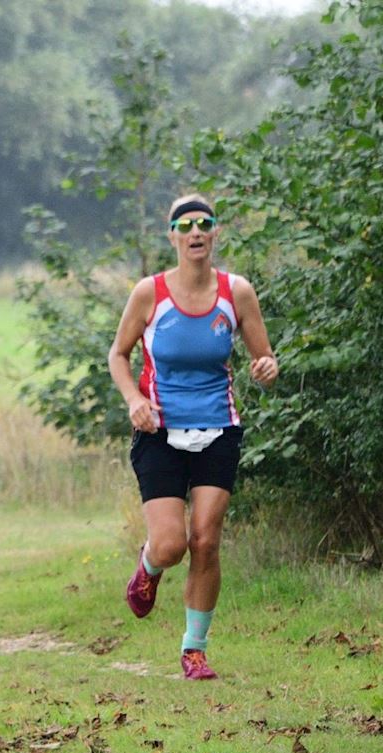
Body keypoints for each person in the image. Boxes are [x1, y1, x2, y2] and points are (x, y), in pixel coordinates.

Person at [107, 193, 278, 680]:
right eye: (186, 225)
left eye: (205, 223)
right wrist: (134, 402)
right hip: (158, 429)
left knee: (205, 540)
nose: (196, 232)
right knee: (171, 544)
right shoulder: (150, 293)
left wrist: (267, 368)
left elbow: (263, 360)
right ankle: (148, 568)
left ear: (216, 232)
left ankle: (193, 649)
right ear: (173, 237)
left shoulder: (236, 292)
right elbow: (117, 355)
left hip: (218, 427)